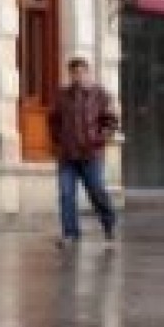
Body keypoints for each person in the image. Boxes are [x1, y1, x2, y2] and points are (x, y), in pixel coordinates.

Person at [48, 57, 119, 246]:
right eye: (74, 73)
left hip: (91, 154)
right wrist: (56, 142)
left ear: (88, 73)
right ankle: (70, 233)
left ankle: (109, 223)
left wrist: (99, 138)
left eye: (82, 72)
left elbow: (111, 121)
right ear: (70, 74)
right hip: (67, 155)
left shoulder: (101, 95)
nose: (78, 76)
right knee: (66, 194)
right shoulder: (62, 95)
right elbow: (53, 121)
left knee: (96, 191)